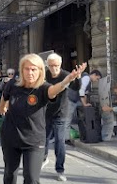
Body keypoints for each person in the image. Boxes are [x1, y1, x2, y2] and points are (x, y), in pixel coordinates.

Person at [0, 54, 86, 184]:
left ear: (40, 71)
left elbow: (55, 90)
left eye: (34, 69)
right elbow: (5, 96)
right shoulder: (13, 84)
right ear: (22, 70)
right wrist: (1, 107)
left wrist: (67, 80)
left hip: (34, 139)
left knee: (32, 179)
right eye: (27, 69)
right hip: (11, 137)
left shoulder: (43, 87)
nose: (30, 72)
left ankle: (59, 169)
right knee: (10, 175)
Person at [42, 53, 81, 182]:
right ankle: (43, 158)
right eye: (51, 66)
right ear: (48, 65)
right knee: (44, 139)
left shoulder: (65, 75)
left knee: (60, 142)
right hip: (46, 112)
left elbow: (75, 88)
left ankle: (60, 170)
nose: (54, 68)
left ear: (61, 64)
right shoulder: (45, 75)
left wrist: (77, 78)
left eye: (57, 65)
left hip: (61, 113)